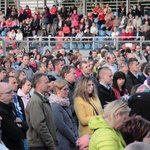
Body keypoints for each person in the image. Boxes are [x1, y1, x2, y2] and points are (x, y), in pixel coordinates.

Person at [26, 73, 57, 150]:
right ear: (38, 84)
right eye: (46, 82)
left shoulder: (42, 99)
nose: (49, 85)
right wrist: (50, 144)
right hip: (39, 145)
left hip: (44, 143)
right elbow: (40, 125)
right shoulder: (36, 101)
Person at [49, 79, 77, 149]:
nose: (67, 91)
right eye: (65, 89)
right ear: (58, 90)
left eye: (68, 89)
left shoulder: (66, 103)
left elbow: (72, 121)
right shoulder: (54, 106)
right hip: (63, 142)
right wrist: (74, 138)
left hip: (71, 140)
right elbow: (62, 126)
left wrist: (76, 135)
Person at [0, 82, 24, 150]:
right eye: (9, 92)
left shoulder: (11, 106)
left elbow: (26, 126)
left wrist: (20, 124)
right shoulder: (1, 112)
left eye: (13, 91)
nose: (13, 94)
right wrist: (20, 124)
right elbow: (16, 133)